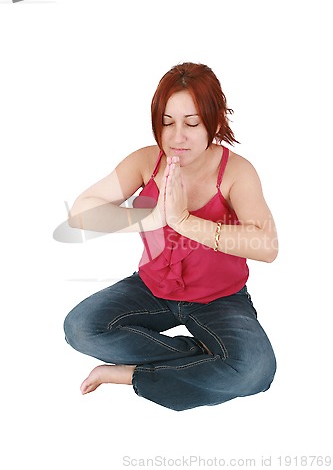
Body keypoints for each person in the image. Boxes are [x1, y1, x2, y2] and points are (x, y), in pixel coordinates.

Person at [63, 62, 278, 411]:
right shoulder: (146, 162)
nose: (177, 137)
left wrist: (184, 221)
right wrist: (151, 217)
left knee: (256, 371)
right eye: (167, 123)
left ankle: (130, 373)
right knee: (81, 328)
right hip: (152, 288)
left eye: (192, 123)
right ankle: (203, 358)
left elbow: (267, 247)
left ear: (215, 121)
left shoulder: (237, 172)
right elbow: (81, 212)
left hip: (221, 298)